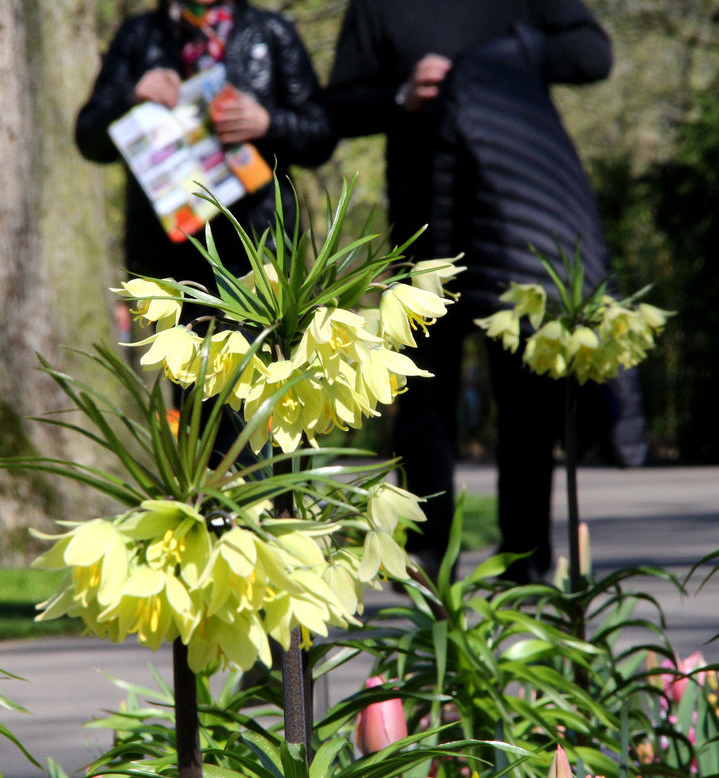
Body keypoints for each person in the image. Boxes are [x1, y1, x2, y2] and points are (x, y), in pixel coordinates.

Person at [326, 1, 614, 583]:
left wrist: (506, 56)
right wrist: (400, 95)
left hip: (513, 215)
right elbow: (336, 106)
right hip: (423, 220)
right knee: (425, 391)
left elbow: (593, 54)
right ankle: (430, 551)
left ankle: (525, 556)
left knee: (527, 393)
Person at [76, 0, 334, 301]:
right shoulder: (140, 35)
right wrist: (131, 95)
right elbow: (89, 139)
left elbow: (322, 136)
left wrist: (268, 122)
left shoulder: (272, 32)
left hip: (261, 247)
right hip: (169, 256)